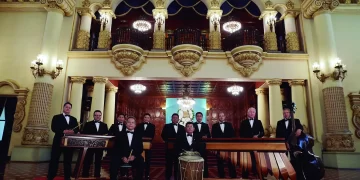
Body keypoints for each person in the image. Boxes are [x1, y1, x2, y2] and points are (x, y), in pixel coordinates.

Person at [47, 102, 79, 180]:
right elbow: (53, 128)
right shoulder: (56, 117)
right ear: (63, 108)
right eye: (66, 107)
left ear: (71, 109)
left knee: (68, 160)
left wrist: (73, 132)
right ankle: (51, 176)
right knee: (54, 159)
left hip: (69, 143)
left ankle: (67, 177)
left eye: (69, 107)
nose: (68, 109)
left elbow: (77, 129)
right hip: (58, 141)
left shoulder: (74, 119)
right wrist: (63, 131)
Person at [81, 110, 109, 178]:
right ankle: (85, 174)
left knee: (98, 161)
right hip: (89, 146)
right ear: (94, 116)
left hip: (100, 146)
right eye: (96, 115)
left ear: (101, 116)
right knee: (87, 160)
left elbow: (106, 135)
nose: (98, 117)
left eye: (99, 115)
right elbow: (84, 134)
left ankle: (97, 175)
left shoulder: (104, 125)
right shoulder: (88, 124)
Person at [239, 107, 264, 178]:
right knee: (246, 159)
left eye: (253, 112)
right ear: (247, 113)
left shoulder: (259, 122)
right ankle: (245, 175)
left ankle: (256, 173)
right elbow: (241, 134)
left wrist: (258, 136)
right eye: (250, 112)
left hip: (256, 144)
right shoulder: (243, 122)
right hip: (246, 144)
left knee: (256, 159)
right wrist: (251, 136)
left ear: (255, 114)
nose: (252, 113)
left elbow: (262, 132)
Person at [211, 112, 236, 178]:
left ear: (225, 117)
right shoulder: (214, 126)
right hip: (219, 146)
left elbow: (233, 135)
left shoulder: (229, 124)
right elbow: (213, 136)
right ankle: (221, 176)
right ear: (218, 117)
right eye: (220, 116)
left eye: (223, 116)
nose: (221, 117)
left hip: (229, 146)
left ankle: (233, 176)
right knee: (220, 162)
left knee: (231, 161)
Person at [161, 113, 185, 180]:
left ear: (178, 119)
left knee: (178, 164)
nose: (175, 119)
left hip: (179, 149)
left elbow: (183, 137)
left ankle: (177, 177)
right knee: (168, 164)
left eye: (176, 117)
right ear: (171, 119)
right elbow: (163, 135)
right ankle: (168, 177)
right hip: (169, 148)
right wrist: (168, 141)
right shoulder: (167, 126)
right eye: (173, 117)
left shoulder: (182, 127)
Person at [135, 113, 155, 180]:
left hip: (148, 145)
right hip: (139, 145)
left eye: (148, 117)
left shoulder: (152, 126)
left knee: (148, 161)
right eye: (145, 117)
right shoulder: (139, 125)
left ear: (150, 119)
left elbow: (152, 135)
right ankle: (139, 174)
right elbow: (136, 134)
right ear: (143, 118)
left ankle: (147, 174)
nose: (146, 118)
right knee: (140, 160)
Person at [193, 112, 210, 177]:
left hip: (203, 145)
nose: (199, 117)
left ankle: (205, 175)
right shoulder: (193, 124)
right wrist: (201, 136)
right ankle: (195, 174)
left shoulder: (206, 125)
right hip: (195, 145)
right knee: (195, 160)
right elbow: (192, 134)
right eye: (197, 116)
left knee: (204, 160)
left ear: (202, 117)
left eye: (200, 116)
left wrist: (206, 136)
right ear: (196, 117)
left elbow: (208, 135)